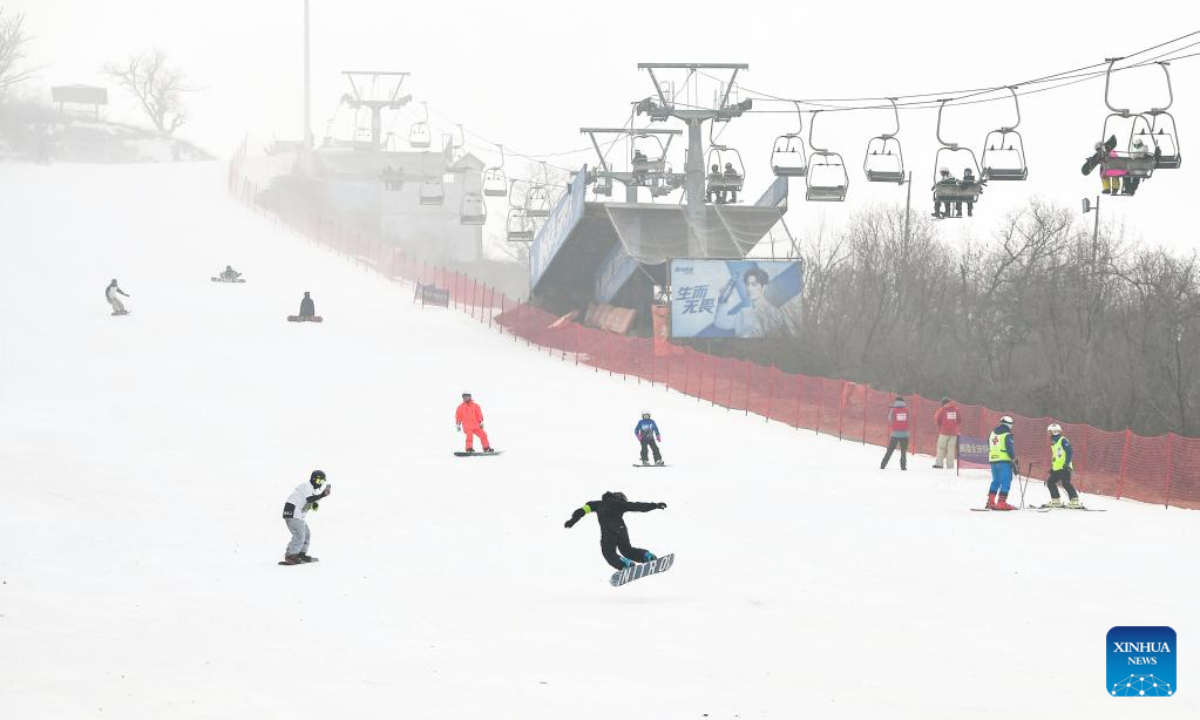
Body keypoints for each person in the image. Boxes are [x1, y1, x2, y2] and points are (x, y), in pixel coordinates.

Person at [563, 491, 667, 570]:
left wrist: (573, 520)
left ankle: (624, 563)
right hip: (621, 529)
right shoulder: (620, 504)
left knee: (609, 553)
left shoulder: (597, 504)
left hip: (608, 531)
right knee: (627, 550)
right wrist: (655, 505)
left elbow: (581, 510)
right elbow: (637, 506)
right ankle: (646, 556)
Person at [281, 470, 332, 564]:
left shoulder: (312, 489)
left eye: (322, 482)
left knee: (306, 534)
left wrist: (316, 502)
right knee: (299, 535)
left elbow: (310, 501)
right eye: (318, 481)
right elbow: (309, 499)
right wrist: (322, 495)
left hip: (298, 515)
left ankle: (300, 554)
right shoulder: (307, 486)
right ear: (313, 479)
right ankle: (290, 555)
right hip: (293, 512)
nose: (320, 484)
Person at [986, 415, 1018, 510]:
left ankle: (990, 502)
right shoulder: (1007, 434)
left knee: (996, 481)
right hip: (1004, 461)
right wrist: (1013, 459)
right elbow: (1009, 448)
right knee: (1006, 481)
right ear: (1009, 425)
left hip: (993, 460)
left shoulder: (992, 433)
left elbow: (988, 443)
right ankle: (1001, 503)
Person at [1045, 423, 1081, 508]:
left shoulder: (1063, 440)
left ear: (1054, 432)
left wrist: (1067, 463)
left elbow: (1069, 451)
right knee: (1050, 482)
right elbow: (1056, 457)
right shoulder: (1054, 443)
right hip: (1057, 468)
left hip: (1065, 467)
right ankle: (1056, 500)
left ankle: (1074, 500)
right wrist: (1052, 469)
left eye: (1049, 431)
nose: (1048, 433)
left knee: (1065, 483)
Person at [880, 395, 909, 471]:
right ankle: (903, 466)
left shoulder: (893, 409)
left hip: (895, 433)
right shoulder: (907, 409)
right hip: (905, 434)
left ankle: (883, 465)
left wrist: (894, 424)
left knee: (890, 450)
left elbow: (889, 419)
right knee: (903, 451)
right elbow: (908, 418)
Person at [932, 397, 960, 469]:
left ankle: (939, 464)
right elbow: (959, 420)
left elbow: (937, 419)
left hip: (944, 432)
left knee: (941, 448)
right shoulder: (956, 410)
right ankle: (950, 465)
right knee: (951, 449)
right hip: (954, 433)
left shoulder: (942, 410)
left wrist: (940, 426)